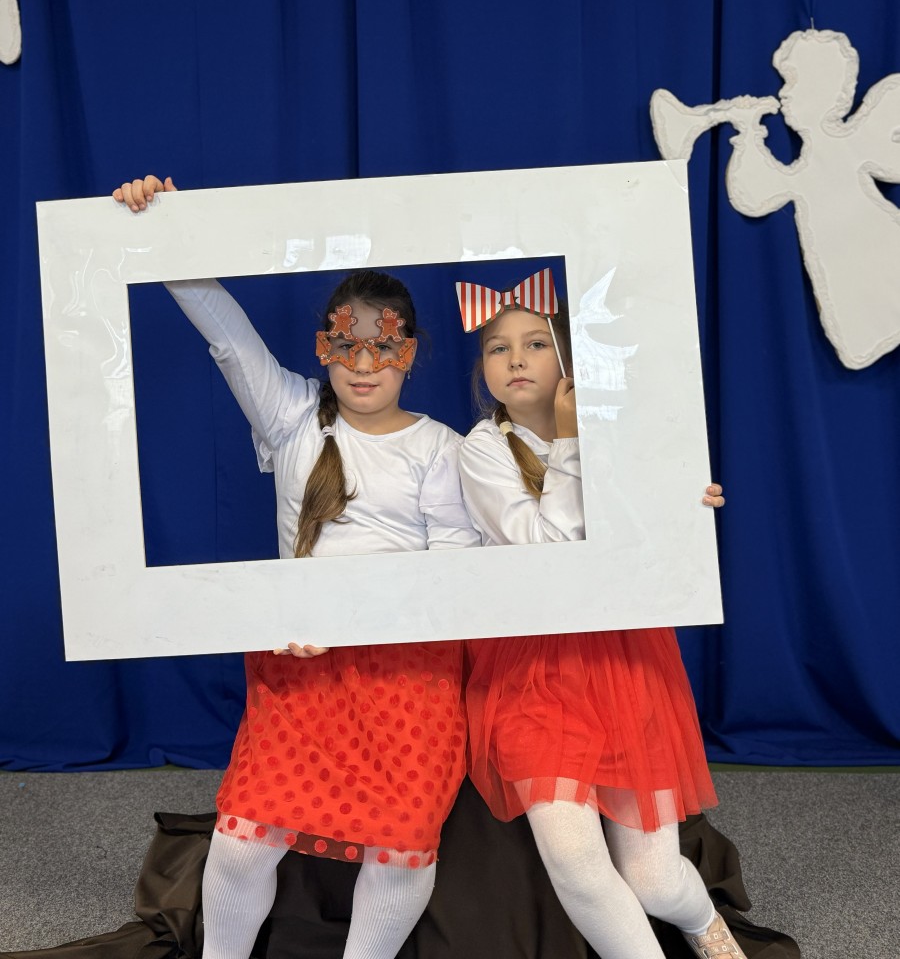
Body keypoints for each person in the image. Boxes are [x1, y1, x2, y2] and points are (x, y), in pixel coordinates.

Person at [113, 175, 482, 959]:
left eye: (384, 346)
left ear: (411, 354)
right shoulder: (291, 417)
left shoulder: (440, 448)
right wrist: (167, 228)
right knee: (245, 840)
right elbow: (227, 336)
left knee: (402, 843)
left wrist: (364, 624)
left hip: (406, 675)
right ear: (323, 349)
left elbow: (453, 572)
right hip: (300, 669)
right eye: (346, 345)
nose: (363, 363)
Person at [455, 270, 747, 959]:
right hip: (531, 671)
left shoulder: (620, 435)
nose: (517, 359)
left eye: (535, 343)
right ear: (483, 370)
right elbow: (545, 548)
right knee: (576, 861)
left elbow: (653, 539)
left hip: (622, 662)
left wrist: (686, 506)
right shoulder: (482, 449)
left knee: (652, 877)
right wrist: (567, 441)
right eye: (498, 348)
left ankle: (709, 929)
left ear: (567, 356)